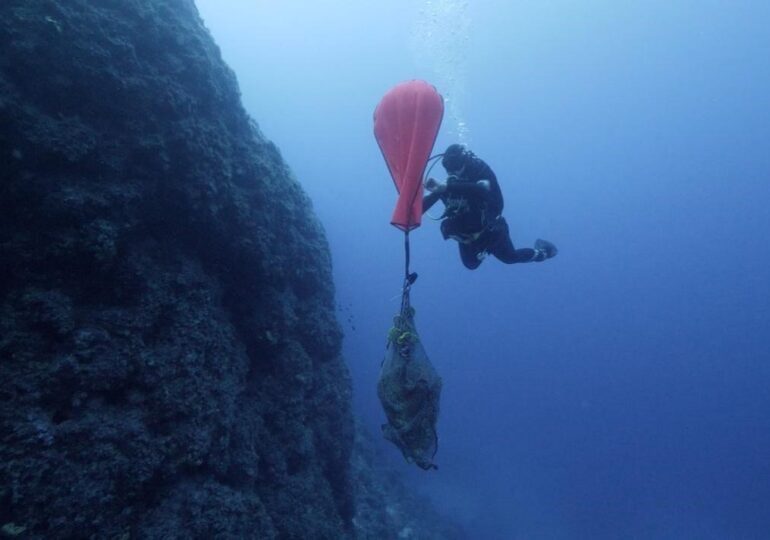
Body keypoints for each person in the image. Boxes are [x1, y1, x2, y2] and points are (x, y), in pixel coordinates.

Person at [423, 144, 558, 270]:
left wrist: (446, 187)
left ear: (464, 162)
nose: (452, 173)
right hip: (468, 235)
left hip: (492, 229)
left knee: (510, 257)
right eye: (447, 168)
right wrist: (410, 212)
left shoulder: (480, 170)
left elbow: (482, 190)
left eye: (455, 167)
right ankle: (481, 249)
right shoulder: (449, 183)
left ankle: (544, 252)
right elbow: (431, 199)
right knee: (471, 265)